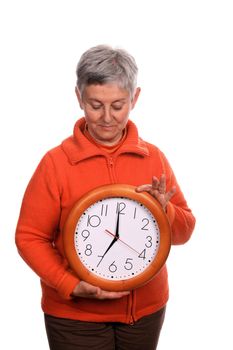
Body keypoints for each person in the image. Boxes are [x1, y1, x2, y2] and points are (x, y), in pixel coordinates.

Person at [15, 45, 196, 350]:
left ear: (134, 98)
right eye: (95, 105)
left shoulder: (153, 158)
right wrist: (69, 285)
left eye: (118, 105)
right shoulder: (56, 164)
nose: (107, 118)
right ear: (78, 97)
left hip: (145, 314)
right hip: (75, 318)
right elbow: (29, 237)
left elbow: (183, 232)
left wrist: (165, 211)